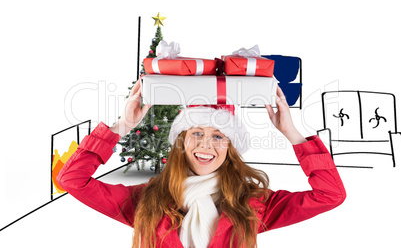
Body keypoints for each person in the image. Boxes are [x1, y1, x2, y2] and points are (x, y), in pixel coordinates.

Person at [57, 77, 346, 248]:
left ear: (231, 147)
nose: (205, 145)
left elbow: (330, 195)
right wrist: (121, 126)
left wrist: (292, 134)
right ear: (181, 142)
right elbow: (72, 180)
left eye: (219, 136)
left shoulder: (253, 205)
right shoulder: (146, 201)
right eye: (196, 133)